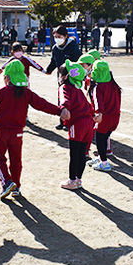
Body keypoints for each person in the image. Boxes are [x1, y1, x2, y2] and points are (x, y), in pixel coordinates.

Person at [0, 60, 69, 199]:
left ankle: (7, 182)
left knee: (0, 158)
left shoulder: (3, 91)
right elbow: (42, 104)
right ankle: (16, 186)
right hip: (18, 133)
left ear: (8, 78)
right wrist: (59, 111)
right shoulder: (27, 93)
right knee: (16, 160)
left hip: (2, 131)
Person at [58, 60, 95, 190]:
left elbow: (64, 99)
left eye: (61, 74)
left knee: (74, 154)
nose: (60, 76)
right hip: (89, 124)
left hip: (78, 124)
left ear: (66, 76)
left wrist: (64, 108)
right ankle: (78, 180)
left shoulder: (65, 87)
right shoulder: (78, 89)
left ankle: (72, 180)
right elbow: (88, 105)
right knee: (82, 153)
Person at [86, 60, 121, 172]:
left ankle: (104, 163)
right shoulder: (114, 85)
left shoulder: (98, 86)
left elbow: (97, 102)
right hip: (115, 118)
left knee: (100, 140)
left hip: (104, 118)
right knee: (105, 137)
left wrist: (98, 114)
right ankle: (101, 158)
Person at [45, 25, 82, 130]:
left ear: (66, 36)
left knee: (72, 99)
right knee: (62, 98)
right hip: (61, 78)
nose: (57, 39)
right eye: (55, 36)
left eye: (59, 36)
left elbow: (80, 62)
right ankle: (62, 121)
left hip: (72, 77)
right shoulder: (55, 48)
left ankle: (70, 122)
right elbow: (53, 61)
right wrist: (48, 70)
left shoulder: (73, 47)